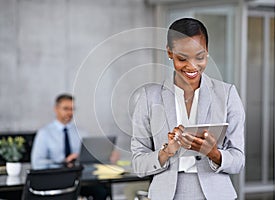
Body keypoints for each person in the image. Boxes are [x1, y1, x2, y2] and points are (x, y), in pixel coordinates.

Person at [131, 18, 245, 200]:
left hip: (215, 194)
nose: (192, 66)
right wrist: (166, 151)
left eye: (199, 57)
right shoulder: (149, 97)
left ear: (207, 51)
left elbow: (238, 161)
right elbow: (138, 164)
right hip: (166, 194)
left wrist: (214, 154)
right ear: (169, 52)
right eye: (182, 58)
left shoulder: (227, 94)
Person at [31, 93, 109, 199]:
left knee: (101, 191)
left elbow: (90, 158)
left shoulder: (81, 133)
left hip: (78, 179)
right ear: (56, 109)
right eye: (66, 109)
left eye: (72, 109)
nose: (69, 113)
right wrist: (63, 161)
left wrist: (106, 154)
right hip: (55, 180)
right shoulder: (44, 133)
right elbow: (37, 163)